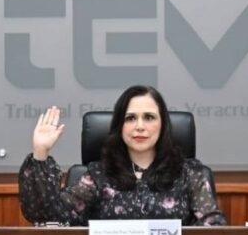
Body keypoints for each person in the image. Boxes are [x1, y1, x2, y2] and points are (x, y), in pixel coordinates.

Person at [18, 84, 227, 226]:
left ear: (163, 125)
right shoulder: (98, 175)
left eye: (149, 117)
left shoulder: (188, 173)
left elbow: (213, 226)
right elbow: (49, 215)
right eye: (130, 118)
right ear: (120, 126)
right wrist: (41, 151)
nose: (140, 126)